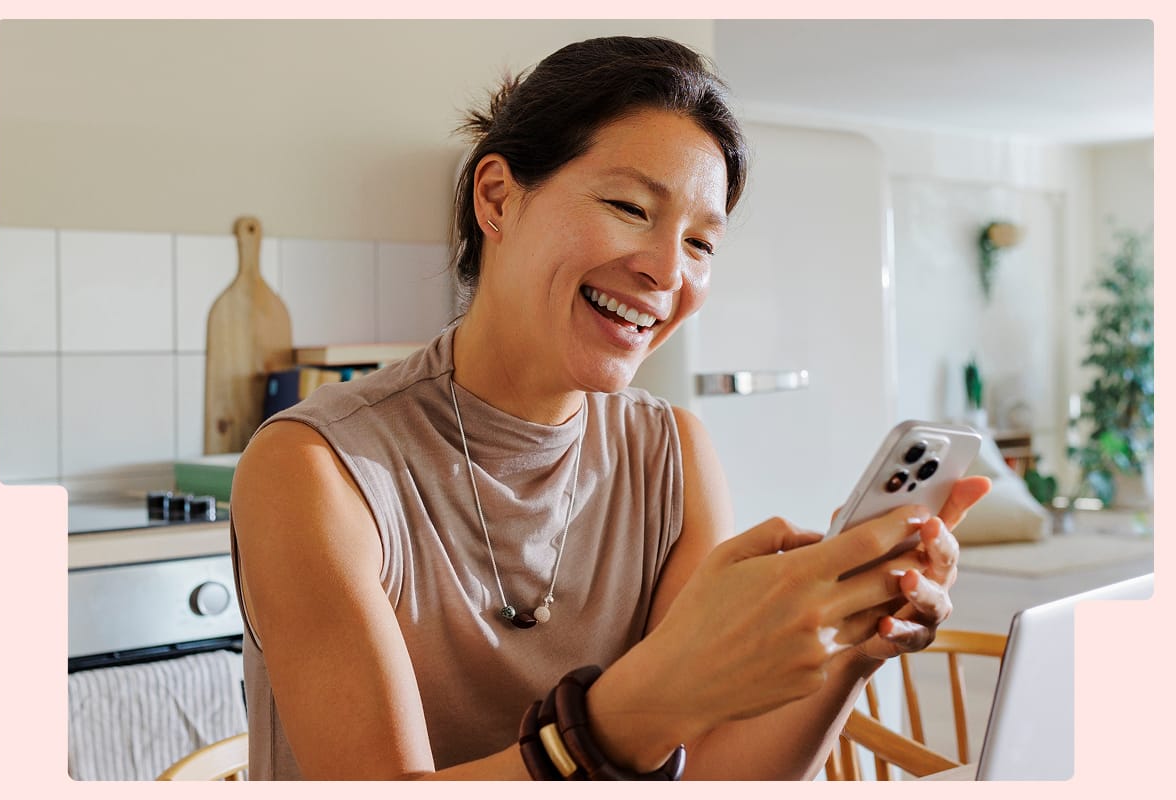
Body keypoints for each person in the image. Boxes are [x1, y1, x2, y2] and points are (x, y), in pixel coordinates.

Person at [229, 35, 990, 780]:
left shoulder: (670, 452)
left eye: (701, 243)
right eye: (630, 207)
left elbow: (713, 776)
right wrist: (636, 710)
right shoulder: (315, 468)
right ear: (496, 198)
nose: (665, 271)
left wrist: (854, 642)